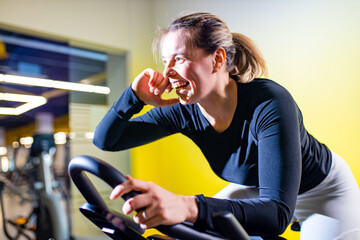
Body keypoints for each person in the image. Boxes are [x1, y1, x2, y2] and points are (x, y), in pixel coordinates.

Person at [93, 12, 360, 239]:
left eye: (179, 59)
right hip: (260, 191)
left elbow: (277, 215)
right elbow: (107, 140)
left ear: (218, 60)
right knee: (191, 229)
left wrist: (186, 206)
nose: (168, 73)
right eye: (165, 62)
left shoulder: (269, 103)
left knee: (192, 212)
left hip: (323, 193)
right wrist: (134, 96)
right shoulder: (182, 112)